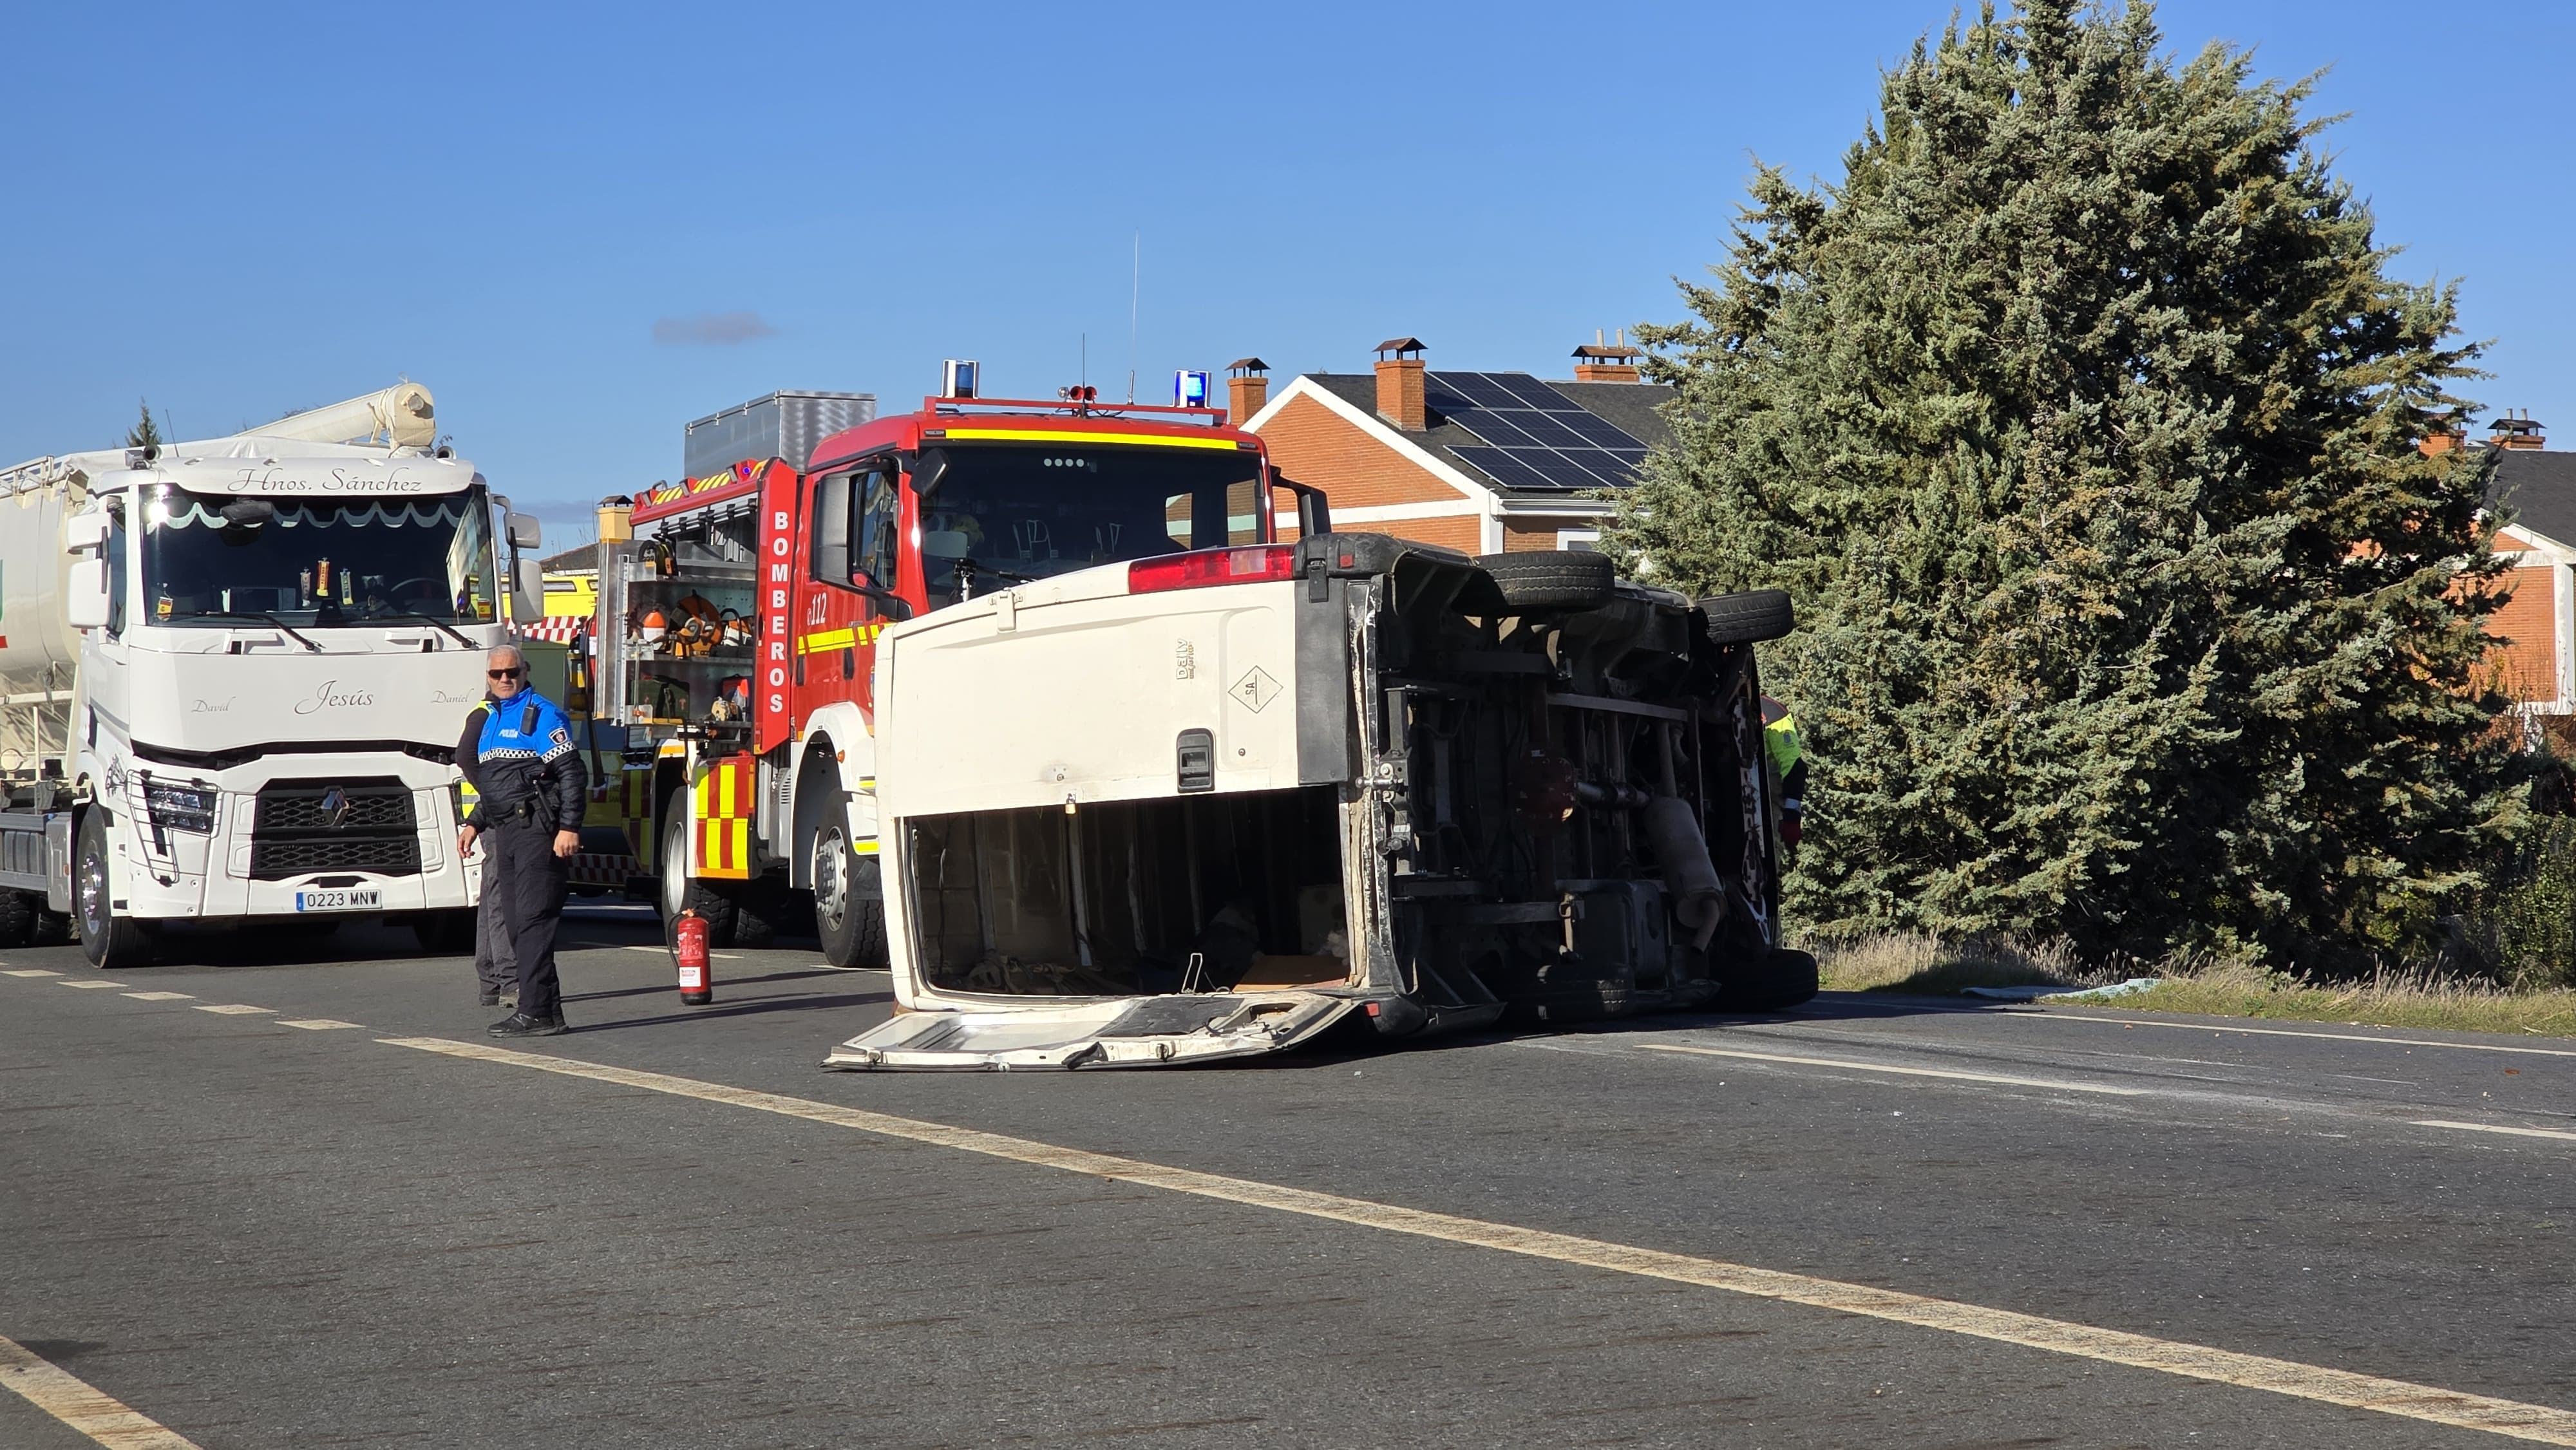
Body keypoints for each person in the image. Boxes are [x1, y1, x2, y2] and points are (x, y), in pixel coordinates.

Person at [456, 644, 587, 1036]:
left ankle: (534, 1011)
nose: (505, 679)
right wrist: (474, 822)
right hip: (506, 829)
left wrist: (569, 827)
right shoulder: (492, 717)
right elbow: (501, 786)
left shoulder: (542, 715)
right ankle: (547, 1013)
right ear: (488, 677)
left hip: (537, 831)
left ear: (525, 671)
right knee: (516, 924)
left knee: (532, 921)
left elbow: (572, 773)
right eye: (497, 674)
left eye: (512, 672)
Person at [451, 701, 516, 1010]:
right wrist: (496, 797)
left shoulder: (492, 713)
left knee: (493, 899)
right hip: (494, 816)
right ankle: (507, 980)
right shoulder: (488, 714)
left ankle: (492, 981)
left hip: (487, 814)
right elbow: (464, 757)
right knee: (500, 898)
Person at [1761, 695, 1808, 847]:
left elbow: (1794, 767)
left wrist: (1792, 818)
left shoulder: (1773, 713)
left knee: (1770, 846)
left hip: (1770, 790)